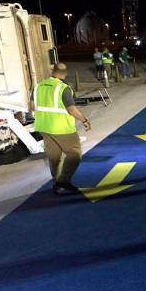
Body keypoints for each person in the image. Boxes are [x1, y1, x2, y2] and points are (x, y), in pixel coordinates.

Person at [32, 63, 91, 194]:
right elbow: (71, 109)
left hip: (43, 127)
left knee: (54, 157)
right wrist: (84, 120)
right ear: (64, 74)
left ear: (53, 71)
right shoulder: (64, 88)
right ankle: (63, 181)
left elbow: (31, 106)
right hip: (62, 128)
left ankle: (57, 182)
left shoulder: (38, 87)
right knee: (74, 154)